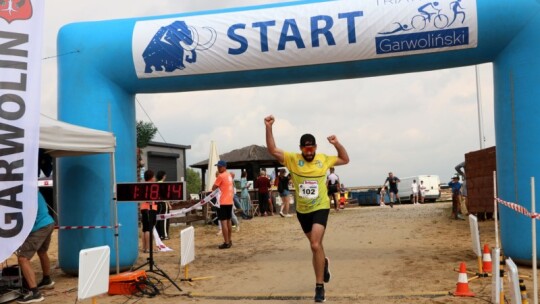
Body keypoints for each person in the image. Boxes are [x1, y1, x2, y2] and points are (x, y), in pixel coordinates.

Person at [265, 114, 350, 303]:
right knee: (316, 247)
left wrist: (337, 143)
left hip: (320, 206)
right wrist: (269, 127)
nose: (309, 152)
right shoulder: (293, 159)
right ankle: (324, 262)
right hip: (302, 211)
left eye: (312, 148)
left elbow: (345, 159)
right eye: (306, 148)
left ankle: (319, 287)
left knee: (314, 244)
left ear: (316, 148)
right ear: (301, 148)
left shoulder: (323, 159)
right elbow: (272, 149)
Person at [16, 192, 55, 303]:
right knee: (42, 252)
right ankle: (47, 280)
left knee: (23, 258)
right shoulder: (32, 190)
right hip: (48, 222)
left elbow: (24, 215)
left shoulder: (24, 193)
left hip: (39, 226)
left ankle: (34, 293)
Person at [212, 160, 234, 249]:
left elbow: (213, 188)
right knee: (228, 221)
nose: (218, 168)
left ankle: (226, 242)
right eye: (218, 166)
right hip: (229, 201)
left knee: (223, 222)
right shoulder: (229, 175)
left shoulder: (220, 176)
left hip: (222, 202)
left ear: (224, 167)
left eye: (220, 166)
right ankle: (229, 240)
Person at [140, 170, 158, 253]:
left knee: (144, 229)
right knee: (148, 229)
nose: (155, 178)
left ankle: (144, 247)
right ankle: (149, 248)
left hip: (143, 208)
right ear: (151, 178)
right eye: (154, 177)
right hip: (150, 209)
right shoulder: (152, 186)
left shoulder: (142, 185)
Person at [155, 170, 171, 240]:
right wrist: (169, 204)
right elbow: (165, 196)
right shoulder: (163, 184)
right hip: (163, 203)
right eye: (165, 175)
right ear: (163, 176)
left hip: (157, 203)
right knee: (164, 219)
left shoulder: (155, 184)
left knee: (158, 218)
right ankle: (164, 235)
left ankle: (158, 234)